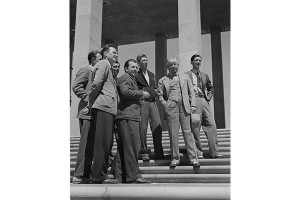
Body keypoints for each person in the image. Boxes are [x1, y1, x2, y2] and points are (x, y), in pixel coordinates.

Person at [157, 57, 199, 167]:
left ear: (178, 65)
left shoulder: (185, 77)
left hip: (184, 106)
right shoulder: (162, 80)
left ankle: (193, 158)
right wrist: (165, 104)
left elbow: (191, 93)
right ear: (167, 67)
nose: (173, 66)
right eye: (171, 65)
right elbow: (160, 95)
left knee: (187, 132)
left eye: (175, 64)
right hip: (171, 106)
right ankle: (175, 158)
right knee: (173, 134)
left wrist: (193, 104)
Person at [115, 59, 151, 183]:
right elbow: (125, 92)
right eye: (132, 67)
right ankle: (134, 176)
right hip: (128, 116)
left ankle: (121, 176)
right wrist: (141, 94)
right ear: (126, 68)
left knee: (124, 148)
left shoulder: (131, 79)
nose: (135, 69)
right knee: (133, 146)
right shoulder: (125, 77)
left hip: (128, 115)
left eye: (136, 67)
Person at [88, 44, 119, 184]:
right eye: (114, 52)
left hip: (108, 108)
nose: (116, 55)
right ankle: (99, 176)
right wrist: (92, 102)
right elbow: (96, 84)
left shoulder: (108, 66)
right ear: (106, 53)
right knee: (103, 143)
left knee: (106, 143)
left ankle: (100, 174)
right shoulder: (103, 63)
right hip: (103, 107)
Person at [71, 50, 101, 184]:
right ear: (93, 60)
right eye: (100, 59)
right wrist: (88, 98)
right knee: (86, 144)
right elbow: (76, 86)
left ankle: (85, 173)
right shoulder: (86, 70)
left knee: (90, 145)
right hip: (86, 112)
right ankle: (79, 174)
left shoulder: (96, 72)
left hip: (93, 112)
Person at [185, 54, 223, 159]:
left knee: (212, 125)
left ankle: (214, 152)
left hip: (204, 101)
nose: (198, 62)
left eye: (200, 60)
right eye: (196, 60)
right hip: (193, 101)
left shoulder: (205, 75)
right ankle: (198, 153)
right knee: (195, 127)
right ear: (191, 62)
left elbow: (211, 88)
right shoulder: (186, 75)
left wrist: (208, 98)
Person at [135, 54, 164, 161]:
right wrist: (141, 95)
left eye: (147, 60)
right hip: (142, 103)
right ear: (138, 62)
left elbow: (154, 86)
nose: (146, 62)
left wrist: (156, 91)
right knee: (142, 128)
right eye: (143, 60)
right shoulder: (136, 75)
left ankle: (159, 152)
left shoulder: (151, 74)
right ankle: (143, 152)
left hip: (153, 102)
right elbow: (135, 88)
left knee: (157, 126)